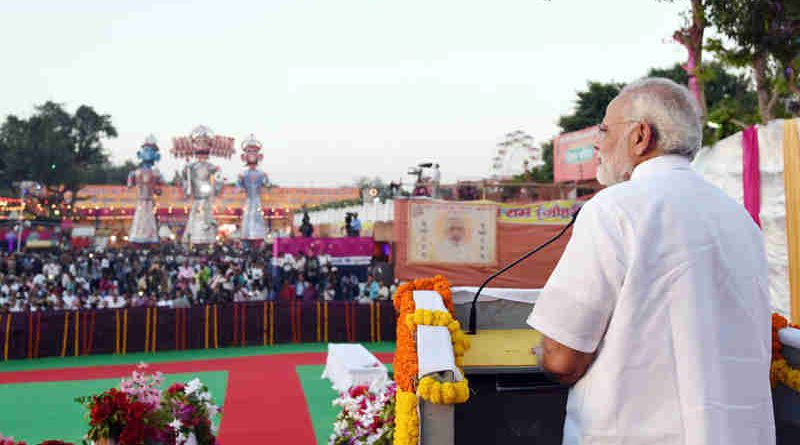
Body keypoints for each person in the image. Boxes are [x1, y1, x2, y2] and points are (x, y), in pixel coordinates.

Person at [527, 78, 774, 445]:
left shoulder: (614, 209)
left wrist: (541, 355)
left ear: (641, 136)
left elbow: (562, 358)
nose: (598, 142)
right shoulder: (739, 218)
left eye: (606, 130)